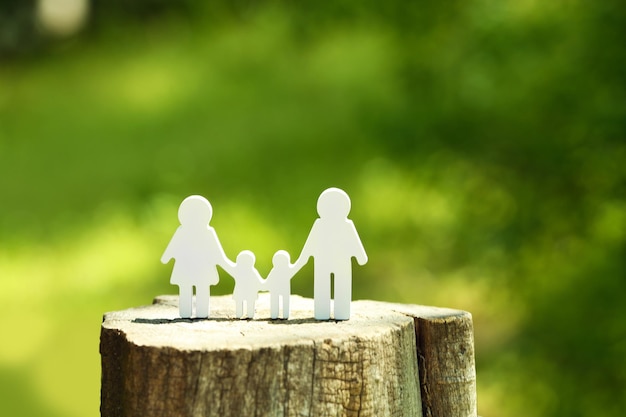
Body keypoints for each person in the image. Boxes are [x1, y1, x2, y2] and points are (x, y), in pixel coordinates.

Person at [295, 188, 368, 320]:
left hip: (337, 263)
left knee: (341, 285)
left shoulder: (346, 225)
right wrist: (304, 257)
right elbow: (311, 243)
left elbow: (354, 242)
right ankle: (323, 311)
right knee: (323, 286)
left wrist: (361, 256)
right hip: (326, 263)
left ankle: (341, 311)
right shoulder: (320, 225)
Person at [161, 195, 234, 318]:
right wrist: (166, 257)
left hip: (195, 268)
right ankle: (186, 312)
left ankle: (201, 312)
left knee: (201, 288)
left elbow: (216, 252)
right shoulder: (182, 231)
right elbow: (173, 247)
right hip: (188, 268)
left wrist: (225, 263)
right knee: (187, 288)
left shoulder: (206, 232)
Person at [265, 250, 302, 319]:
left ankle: (282, 314)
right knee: (277, 300)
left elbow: (296, 268)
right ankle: (276, 314)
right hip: (278, 289)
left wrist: (301, 262)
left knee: (283, 300)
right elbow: (269, 279)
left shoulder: (285, 270)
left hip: (282, 289)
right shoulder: (275, 270)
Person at [230, 250, 264, 319]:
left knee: (248, 302)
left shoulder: (241, 270)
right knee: (243, 302)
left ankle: (248, 314)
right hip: (245, 292)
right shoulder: (239, 270)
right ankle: (241, 314)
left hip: (246, 292)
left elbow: (258, 281)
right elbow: (259, 281)